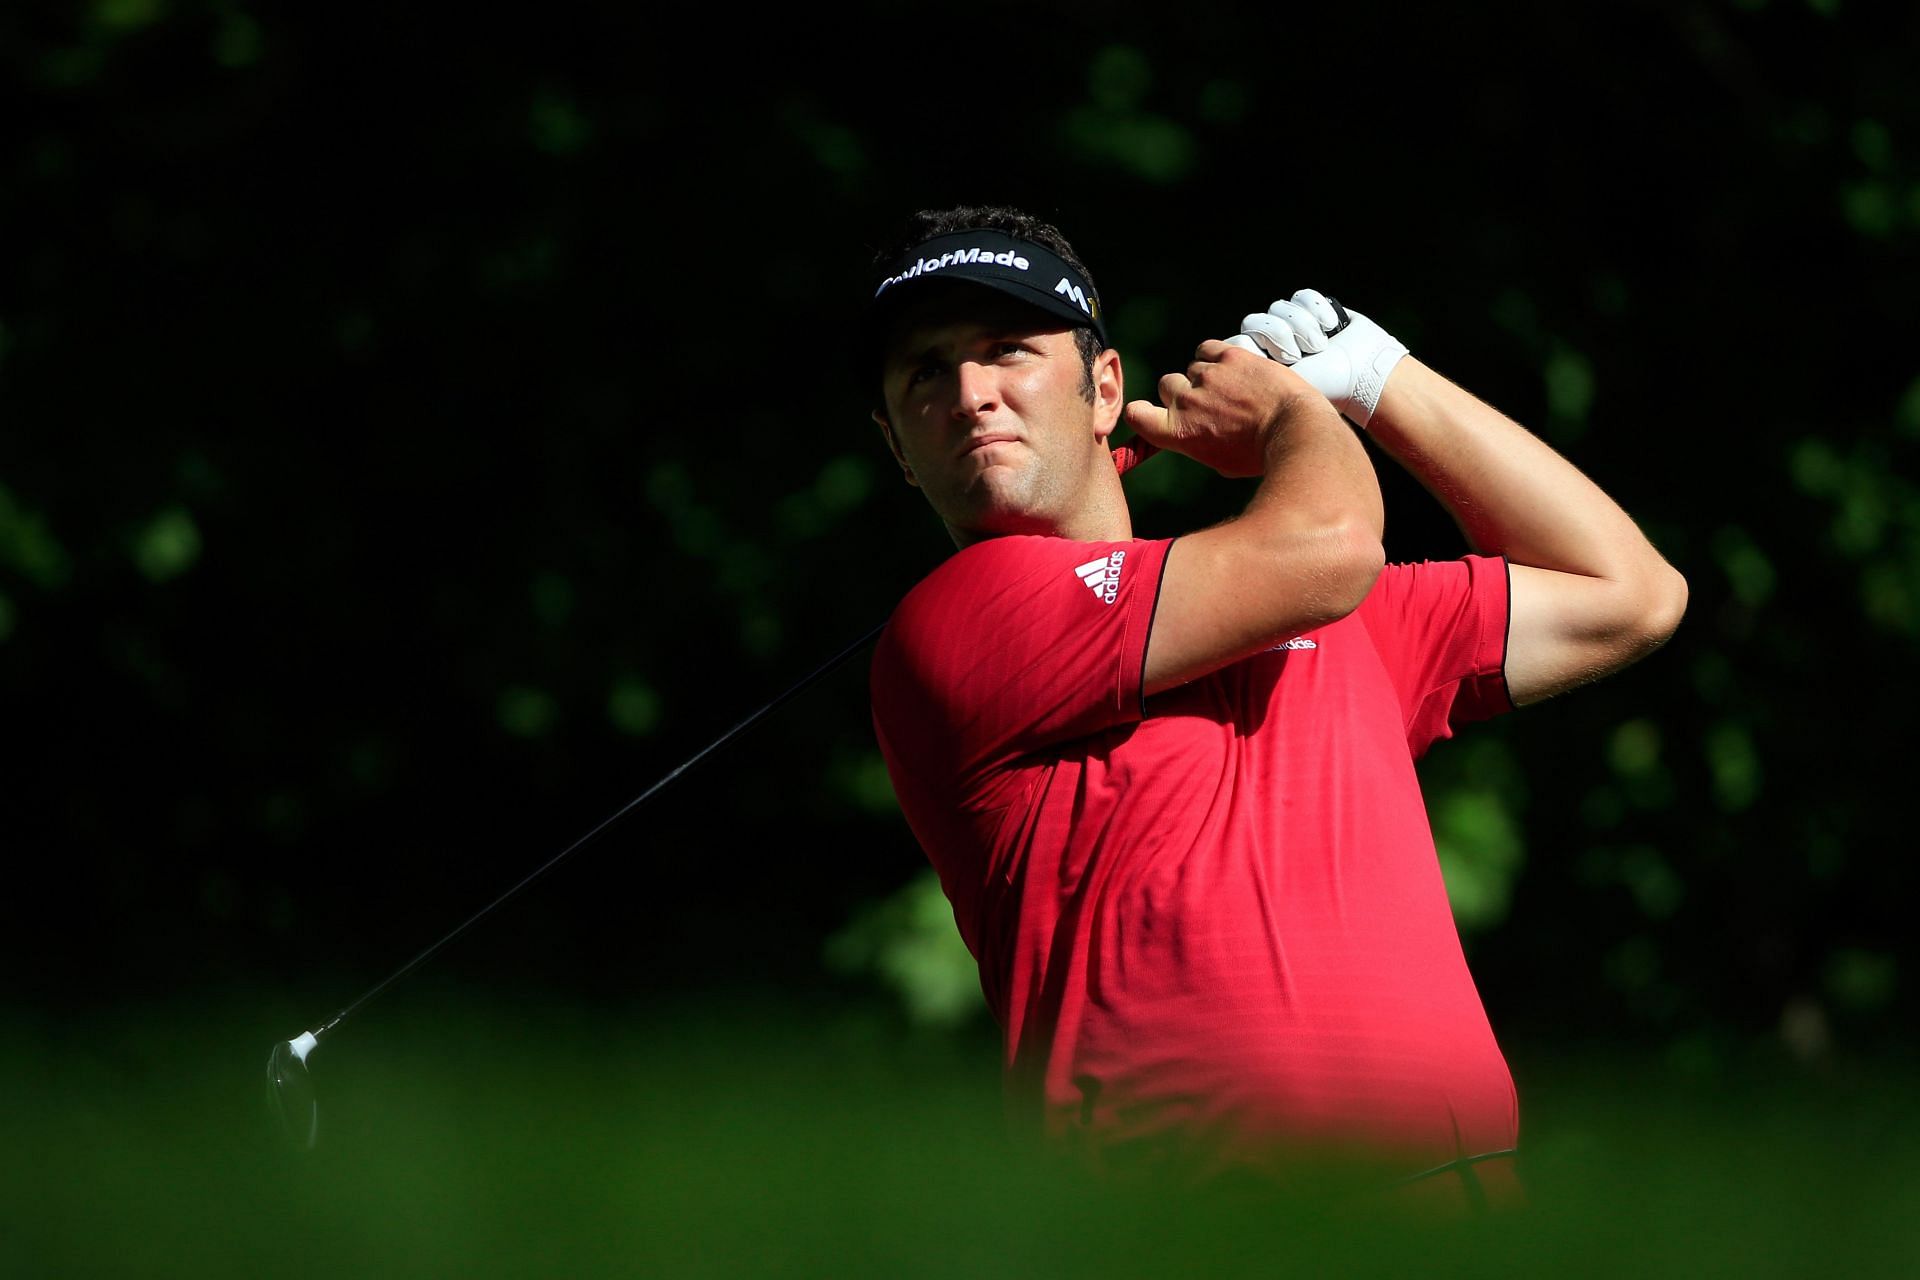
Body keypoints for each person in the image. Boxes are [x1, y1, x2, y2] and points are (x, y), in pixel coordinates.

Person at [861, 205, 1687, 1209]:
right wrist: (1298, 417)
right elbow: (1331, 547)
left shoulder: (1329, 620)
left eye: (1007, 352)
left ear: (1104, 389)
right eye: (925, 372)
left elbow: (1629, 592)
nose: (970, 393)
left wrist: (1380, 374)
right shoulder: (954, 620)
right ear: (899, 446)